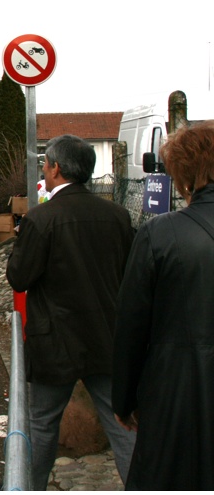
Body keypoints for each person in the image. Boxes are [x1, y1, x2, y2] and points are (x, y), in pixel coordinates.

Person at [6, 135, 136, 491]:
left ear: (57, 168)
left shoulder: (41, 219)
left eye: (45, 164)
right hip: (106, 336)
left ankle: (28, 487)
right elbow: (128, 274)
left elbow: (19, 277)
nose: (44, 170)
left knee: (43, 424)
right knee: (121, 424)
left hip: (54, 340)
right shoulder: (119, 216)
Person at [111, 121, 214, 490]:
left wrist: (123, 399)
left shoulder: (161, 233)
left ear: (184, 172)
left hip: (177, 392)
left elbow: (131, 324)